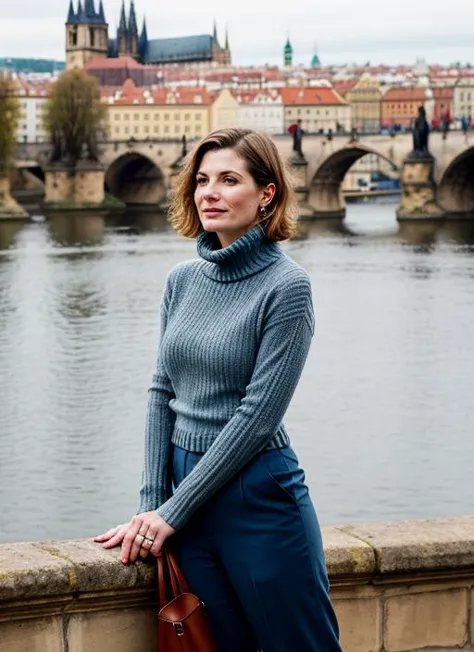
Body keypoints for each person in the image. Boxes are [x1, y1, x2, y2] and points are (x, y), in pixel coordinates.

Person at [95, 128, 342, 652]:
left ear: (266, 193)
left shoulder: (287, 286)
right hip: (187, 501)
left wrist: (170, 513)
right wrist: (152, 505)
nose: (209, 192)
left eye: (229, 180)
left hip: (258, 496)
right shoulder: (181, 280)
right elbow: (161, 390)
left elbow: (257, 417)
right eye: (202, 179)